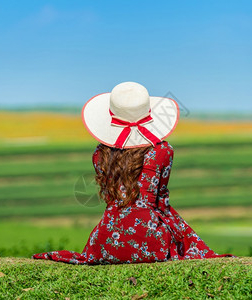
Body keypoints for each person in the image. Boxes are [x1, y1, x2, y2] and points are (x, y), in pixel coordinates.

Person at [32, 82, 233, 264]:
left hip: (105, 242)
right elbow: (160, 202)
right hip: (153, 241)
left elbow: (111, 197)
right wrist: (185, 238)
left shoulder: (99, 154)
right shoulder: (163, 151)